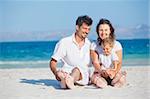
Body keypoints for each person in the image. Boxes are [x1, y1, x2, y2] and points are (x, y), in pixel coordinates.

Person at [50, 15, 93, 89]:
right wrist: (56, 73)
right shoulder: (65, 42)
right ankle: (66, 80)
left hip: (82, 77)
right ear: (77, 27)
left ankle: (69, 81)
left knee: (77, 70)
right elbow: (53, 61)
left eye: (89, 29)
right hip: (66, 72)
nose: (87, 31)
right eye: (85, 28)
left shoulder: (89, 44)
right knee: (62, 73)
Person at [90, 18, 126, 88]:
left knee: (119, 77)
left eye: (106, 30)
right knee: (95, 78)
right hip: (101, 72)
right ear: (98, 31)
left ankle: (117, 81)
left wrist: (113, 72)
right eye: (101, 30)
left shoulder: (117, 44)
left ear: (110, 31)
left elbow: (119, 62)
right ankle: (103, 83)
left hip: (113, 73)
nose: (103, 32)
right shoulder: (94, 45)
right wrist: (102, 72)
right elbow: (95, 62)